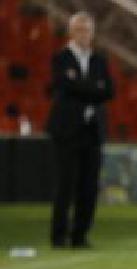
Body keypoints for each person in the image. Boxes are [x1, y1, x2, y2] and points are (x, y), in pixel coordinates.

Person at [47, 11, 114, 248]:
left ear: (92, 33)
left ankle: (80, 235)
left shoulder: (99, 60)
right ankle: (58, 236)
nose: (84, 35)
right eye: (79, 30)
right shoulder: (61, 59)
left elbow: (108, 91)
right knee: (65, 184)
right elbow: (63, 86)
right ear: (71, 32)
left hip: (92, 130)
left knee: (89, 185)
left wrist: (80, 86)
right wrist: (92, 88)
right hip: (66, 130)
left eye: (87, 30)